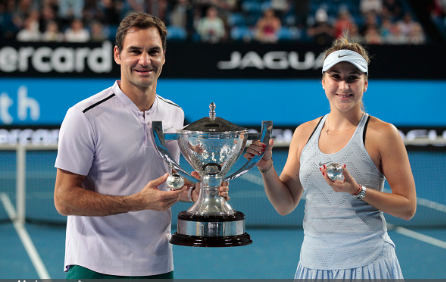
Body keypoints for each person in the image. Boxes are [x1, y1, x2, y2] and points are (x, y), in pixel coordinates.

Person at [54, 12, 229, 279]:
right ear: (117, 55)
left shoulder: (175, 114)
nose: (145, 61)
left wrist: (198, 193)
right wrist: (137, 202)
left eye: (153, 52)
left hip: (157, 265)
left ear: (164, 56)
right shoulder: (84, 116)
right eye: (134, 51)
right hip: (95, 266)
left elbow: (169, 183)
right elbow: (64, 200)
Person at [245, 35, 416, 279]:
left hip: (369, 265)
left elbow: (407, 208)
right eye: (335, 77)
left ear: (365, 83)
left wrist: (357, 190)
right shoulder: (304, 133)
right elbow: (284, 205)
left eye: (353, 78)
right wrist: (266, 167)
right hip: (312, 266)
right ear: (323, 82)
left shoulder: (383, 134)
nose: (344, 86)